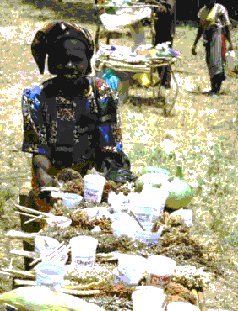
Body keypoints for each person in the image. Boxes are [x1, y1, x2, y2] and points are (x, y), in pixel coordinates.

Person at [21, 21, 136, 211]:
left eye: (76, 59)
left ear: (87, 61)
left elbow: (110, 146)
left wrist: (107, 185)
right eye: (61, 58)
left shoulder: (101, 93)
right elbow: (39, 151)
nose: (69, 65)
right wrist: (48, 182)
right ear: (50, 62)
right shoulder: (36, 97)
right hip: (53, 179)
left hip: (95, 179)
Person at [192, 0, 234, 94]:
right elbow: (200, 28)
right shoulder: (203, 11)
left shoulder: (220, 9)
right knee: (209, 61)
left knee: (217, 61)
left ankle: (216, 88)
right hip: (207, 37)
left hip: (218, 36)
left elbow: (226, 27)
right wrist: (195, 44)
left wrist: (230, 42)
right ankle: (213, 86)